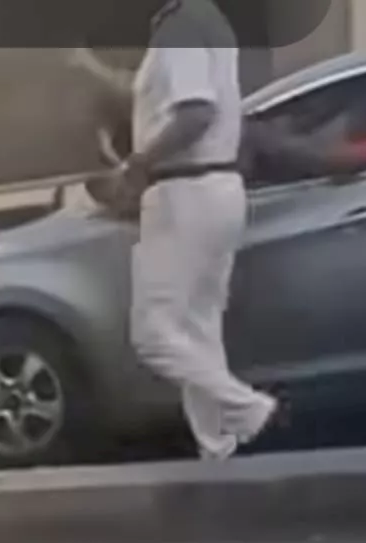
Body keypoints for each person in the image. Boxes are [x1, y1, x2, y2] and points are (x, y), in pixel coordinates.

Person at [106, 0, 277, 459]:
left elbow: (196, 112)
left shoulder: (180, 27)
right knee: (199, 330)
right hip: (213, 187)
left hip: (184, 193)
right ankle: (217, 450)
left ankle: (246, 409)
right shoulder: (205, 21)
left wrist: (137, 164)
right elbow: (170, 104)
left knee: (152, 333)